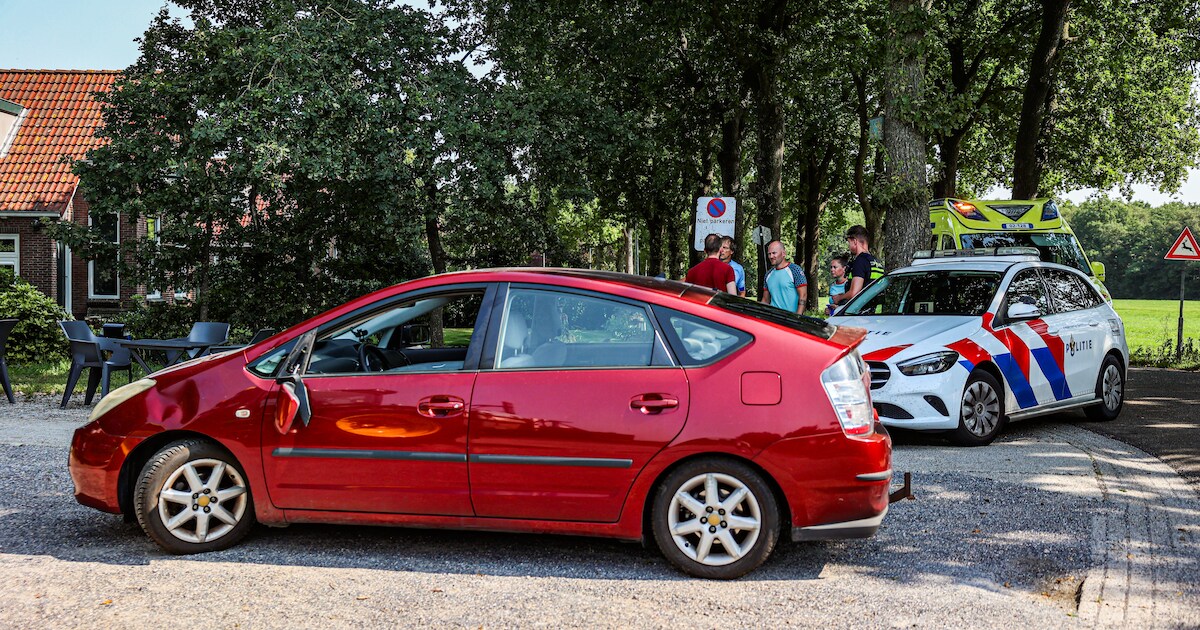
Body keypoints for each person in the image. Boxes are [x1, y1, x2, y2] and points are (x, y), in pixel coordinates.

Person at [832, 225, 885, 308]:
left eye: (849, 242)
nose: (848, 246)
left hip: (861, 313)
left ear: (855, 241)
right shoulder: (876, 262)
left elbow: (854, 292)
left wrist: (839, 298)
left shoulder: (860, 261)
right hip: (875, 311)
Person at [760, 240, 807, 313]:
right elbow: (765, 300)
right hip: (773, 319)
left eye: (774, 253)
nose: (771, 256)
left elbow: (803, 296)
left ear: (783, 253)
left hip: (791, 319)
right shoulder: (768, 274)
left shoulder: (795, 270)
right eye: (769, 254)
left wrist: (798, 317)